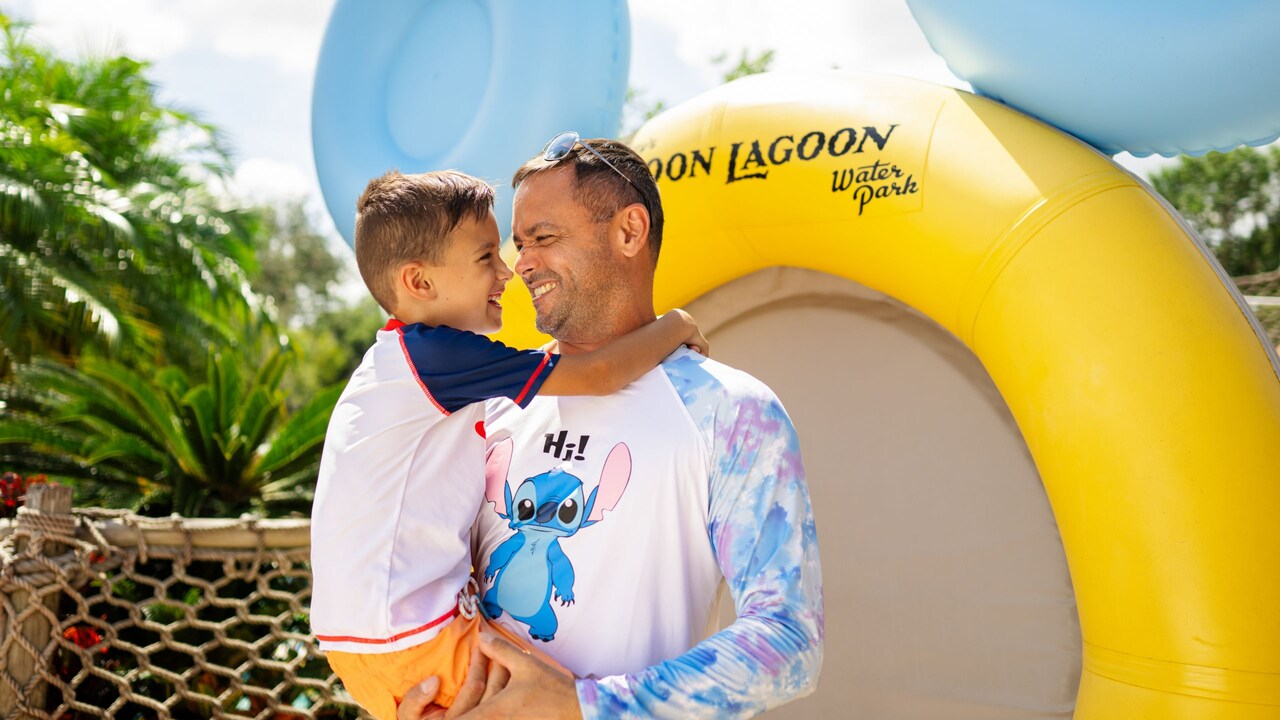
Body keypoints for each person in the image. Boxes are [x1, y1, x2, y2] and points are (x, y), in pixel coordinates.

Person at [401, 134, 824, 719]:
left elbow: (789, 638)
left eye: (543, 238)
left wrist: (585, 706)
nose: (520, 264)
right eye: (518, 244)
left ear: (629, 231)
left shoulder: (732, 410)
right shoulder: (487, 411)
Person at [309, 169, 708, 720]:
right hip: (412, 633)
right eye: (484, 259)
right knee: (566, 703)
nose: (508, 273)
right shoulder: (439, 357)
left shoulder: (389, 368)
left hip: (367, 640)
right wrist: (676, 324)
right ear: (419, 283)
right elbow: (596, 375)